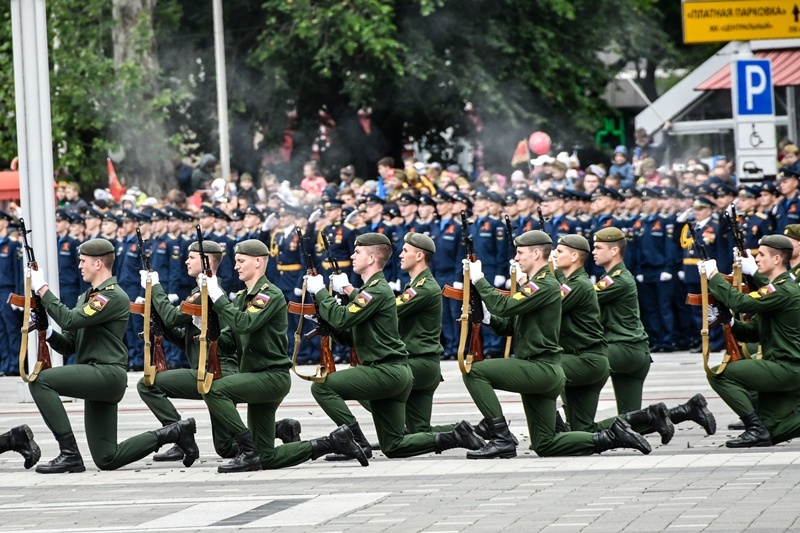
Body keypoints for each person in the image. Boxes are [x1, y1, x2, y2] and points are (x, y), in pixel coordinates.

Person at [462, 230, 651, 459]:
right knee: (545, 444)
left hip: (542, 367)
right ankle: (612, 436)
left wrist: (479, 280)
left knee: (474, 372)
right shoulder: (539, 285)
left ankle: (501, 437)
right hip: (543, 368)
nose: (516, 258)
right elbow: (512, 325)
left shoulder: (544, 284)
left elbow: (504, 306)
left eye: (520, 253)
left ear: (535, 254)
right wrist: (486, 316)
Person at [305, 233, 485, 460]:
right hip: (395, 371)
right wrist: (326, 323)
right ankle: (455, 436)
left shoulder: (377, 289)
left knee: (322, 387)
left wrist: (322, 292)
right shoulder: (373, 290)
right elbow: (350, 335)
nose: (352, 256)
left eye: (357, 252)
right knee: (394, 446)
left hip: (389, 370)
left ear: (371, 259)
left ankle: (354, 440)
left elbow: (342, 317)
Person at [26, 239, 199, 473]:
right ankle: (175, 431)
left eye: (83, 261)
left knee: (39, 381)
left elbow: (69, 319)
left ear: (98, 263)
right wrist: (46, 333)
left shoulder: (111, 296)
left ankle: (69, 453)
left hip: (106, 374)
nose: (79, 265)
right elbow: (69, 345)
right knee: (107, 458)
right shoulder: (86, 296)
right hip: (94, 375)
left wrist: (43, 289)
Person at [200, 239, 367, 472]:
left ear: (258, 262)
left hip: (271, 377)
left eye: (241, 261)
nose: (236, 266)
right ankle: (332, 442)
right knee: (266, 457)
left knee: (214, 390)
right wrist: (205, 327)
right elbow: (229, 343)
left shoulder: (270, 294)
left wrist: (217, 297)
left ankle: (247, 449)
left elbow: (245, 323)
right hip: (255, 376)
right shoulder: (241, 298)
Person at [700, 235, 800, 448]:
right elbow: (753, 332)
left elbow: (740, 301)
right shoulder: (776, 288)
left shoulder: (782, 289)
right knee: (771, 432)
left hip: (787, 366)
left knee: (719, 374)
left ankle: (753, 426)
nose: (756, 259)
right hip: (784, 366)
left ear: (777, 259)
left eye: (761, 255)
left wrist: (714, 276)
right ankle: (760, 429)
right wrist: (729, 321)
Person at [551, 235, 610, 433]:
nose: (554, 255)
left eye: (559, 252)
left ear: (574, 256)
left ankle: (553, 429)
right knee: (584, 430)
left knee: (538, 373)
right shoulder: (573, 282)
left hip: (586, 360)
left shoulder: (577, 284)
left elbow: (547, 308)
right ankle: (652, 416)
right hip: (584, 357)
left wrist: (531, 278)